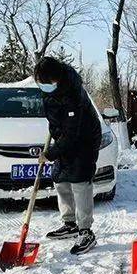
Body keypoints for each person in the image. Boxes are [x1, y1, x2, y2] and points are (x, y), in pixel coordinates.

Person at [35, 57, 103, 255]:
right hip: (64, 139)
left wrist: (50, 154)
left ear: (57, 79)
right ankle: (70, 223)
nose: (44, 87)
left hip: (84, 141)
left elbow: (72, 134)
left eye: (47, 83)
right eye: (41, 83)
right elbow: (57, 120)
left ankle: (86, 230)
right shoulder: (50, 91)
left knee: (80, 183)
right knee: (61, 180)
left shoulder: (73, 94)